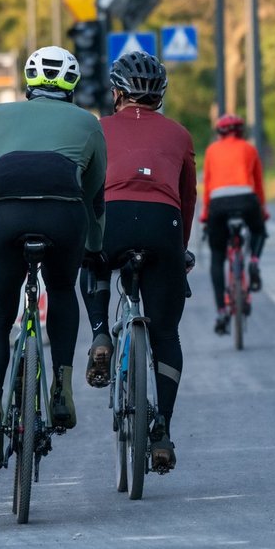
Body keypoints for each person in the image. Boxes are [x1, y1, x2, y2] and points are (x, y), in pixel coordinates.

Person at [0, 45, 107, 471]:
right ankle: (61, 385)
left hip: (4, 216)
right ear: (72, 85)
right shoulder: (88, 123)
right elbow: (94, 198)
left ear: (29, 81)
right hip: (63, 215)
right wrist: (94, 251)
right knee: (61, 289)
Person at [79, 51, 196, 472]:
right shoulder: (180, 134)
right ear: (159, 96)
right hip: (163, 226)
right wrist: (178, 249)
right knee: (167, 334)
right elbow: (187, 199)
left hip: (112, 220)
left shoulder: (97, 128)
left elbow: (85, 187)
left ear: (116, 93)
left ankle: (99, 336)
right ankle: (161, 430)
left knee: (91, 263)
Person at [200, 113, 269, 335]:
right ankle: (255, 260)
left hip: (218, 204)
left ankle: (221, 310)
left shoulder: (212, 150)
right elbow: (258, 184)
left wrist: (205, 215)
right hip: (247, 199)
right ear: (241, 131)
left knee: (217, 257)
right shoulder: (250, 149)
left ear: (219, 132)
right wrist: (262, 211)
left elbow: (208, 185)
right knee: (259, 231)